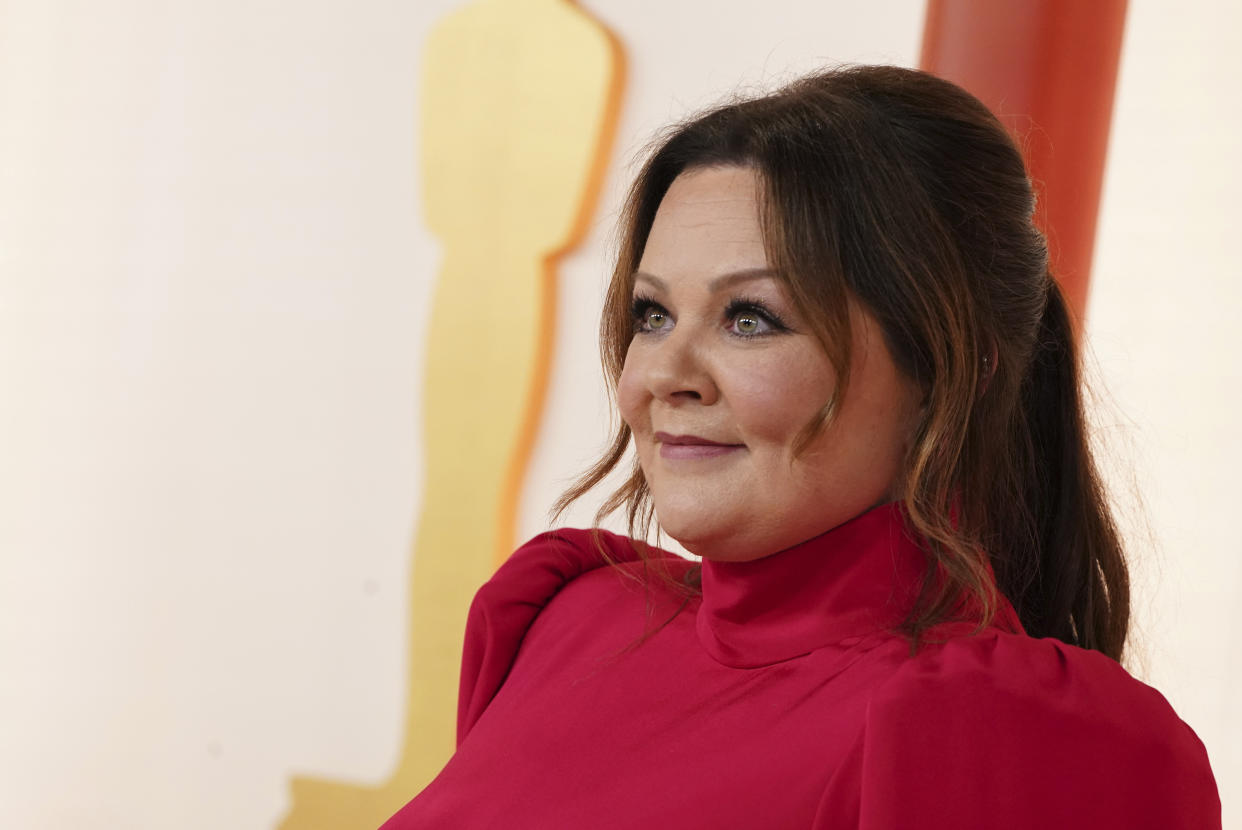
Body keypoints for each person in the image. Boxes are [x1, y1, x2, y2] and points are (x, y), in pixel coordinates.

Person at [381, 65, 1220, 828]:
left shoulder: (1002, 734)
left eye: (751, 319)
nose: (664, 374)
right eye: (652, 314)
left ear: (946, 372)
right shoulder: (567, 619)